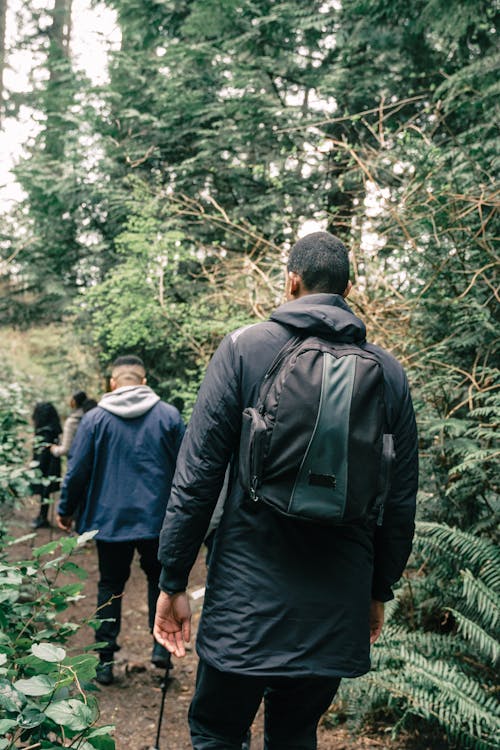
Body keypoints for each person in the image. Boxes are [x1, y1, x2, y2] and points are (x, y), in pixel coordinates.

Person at [154, 231, 419, 749]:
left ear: (291, 281)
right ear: (348, 287)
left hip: (245, 603)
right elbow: (399, 499)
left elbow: (198, 477)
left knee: (217, 730)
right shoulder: (388, 374)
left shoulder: (244, 349)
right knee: (295, 730)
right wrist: (377, 590)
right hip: (335, 599)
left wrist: (172, 579)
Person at [56, 355, 185, 686]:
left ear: (112, 383)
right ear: (143, 381)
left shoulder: (95, 419)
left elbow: (78, 468)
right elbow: (188, 468)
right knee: (160, 581)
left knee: (110, 586)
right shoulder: (168, 416)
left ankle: (104, 661)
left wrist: (65, 509)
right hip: (158, 521)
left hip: (109, 521)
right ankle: (161, 652)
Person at [30, 402, 62, 529]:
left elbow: (43, 452)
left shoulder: (46, 431)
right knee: (45, 491)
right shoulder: (51, 428)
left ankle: (43, 518)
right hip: (50, 464)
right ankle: (42, 517)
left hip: (46, 465)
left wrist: (38, 467)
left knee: (45, 491)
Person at [50, 390, 87, 459]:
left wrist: (54, 449)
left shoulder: (72, 421)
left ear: (74, 402)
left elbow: (66, 449)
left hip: (76, 461)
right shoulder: (91, 417)